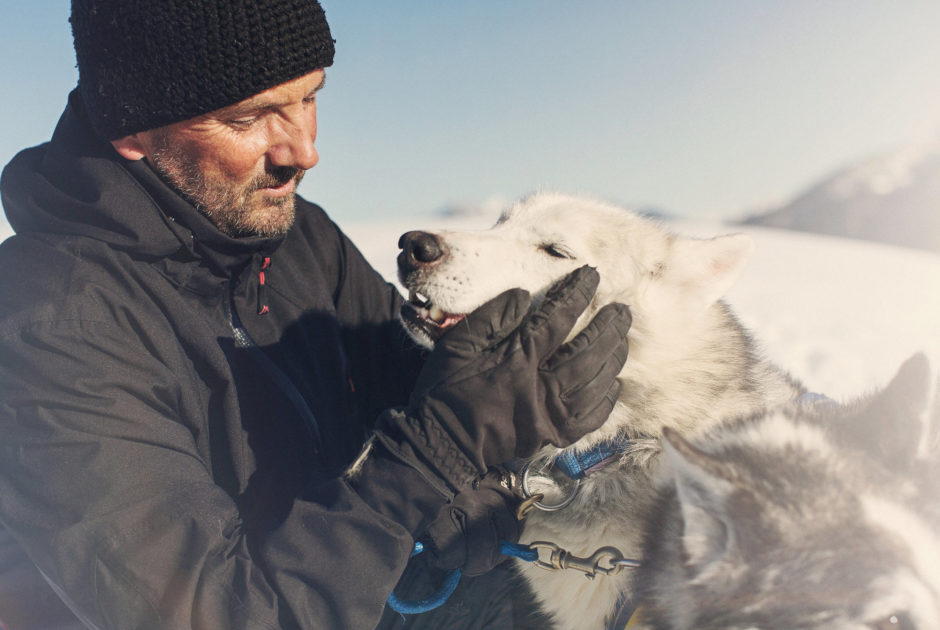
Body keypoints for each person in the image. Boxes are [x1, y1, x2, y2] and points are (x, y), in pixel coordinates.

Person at [0, 1, 631, 629]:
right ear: (132, 131)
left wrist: (485, 442)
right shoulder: (49, 326)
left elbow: (408, 388)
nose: (303, 150)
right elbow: (213, 615)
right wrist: (436, 456)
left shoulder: (293, 237)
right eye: (249, 117)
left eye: (309, 97)